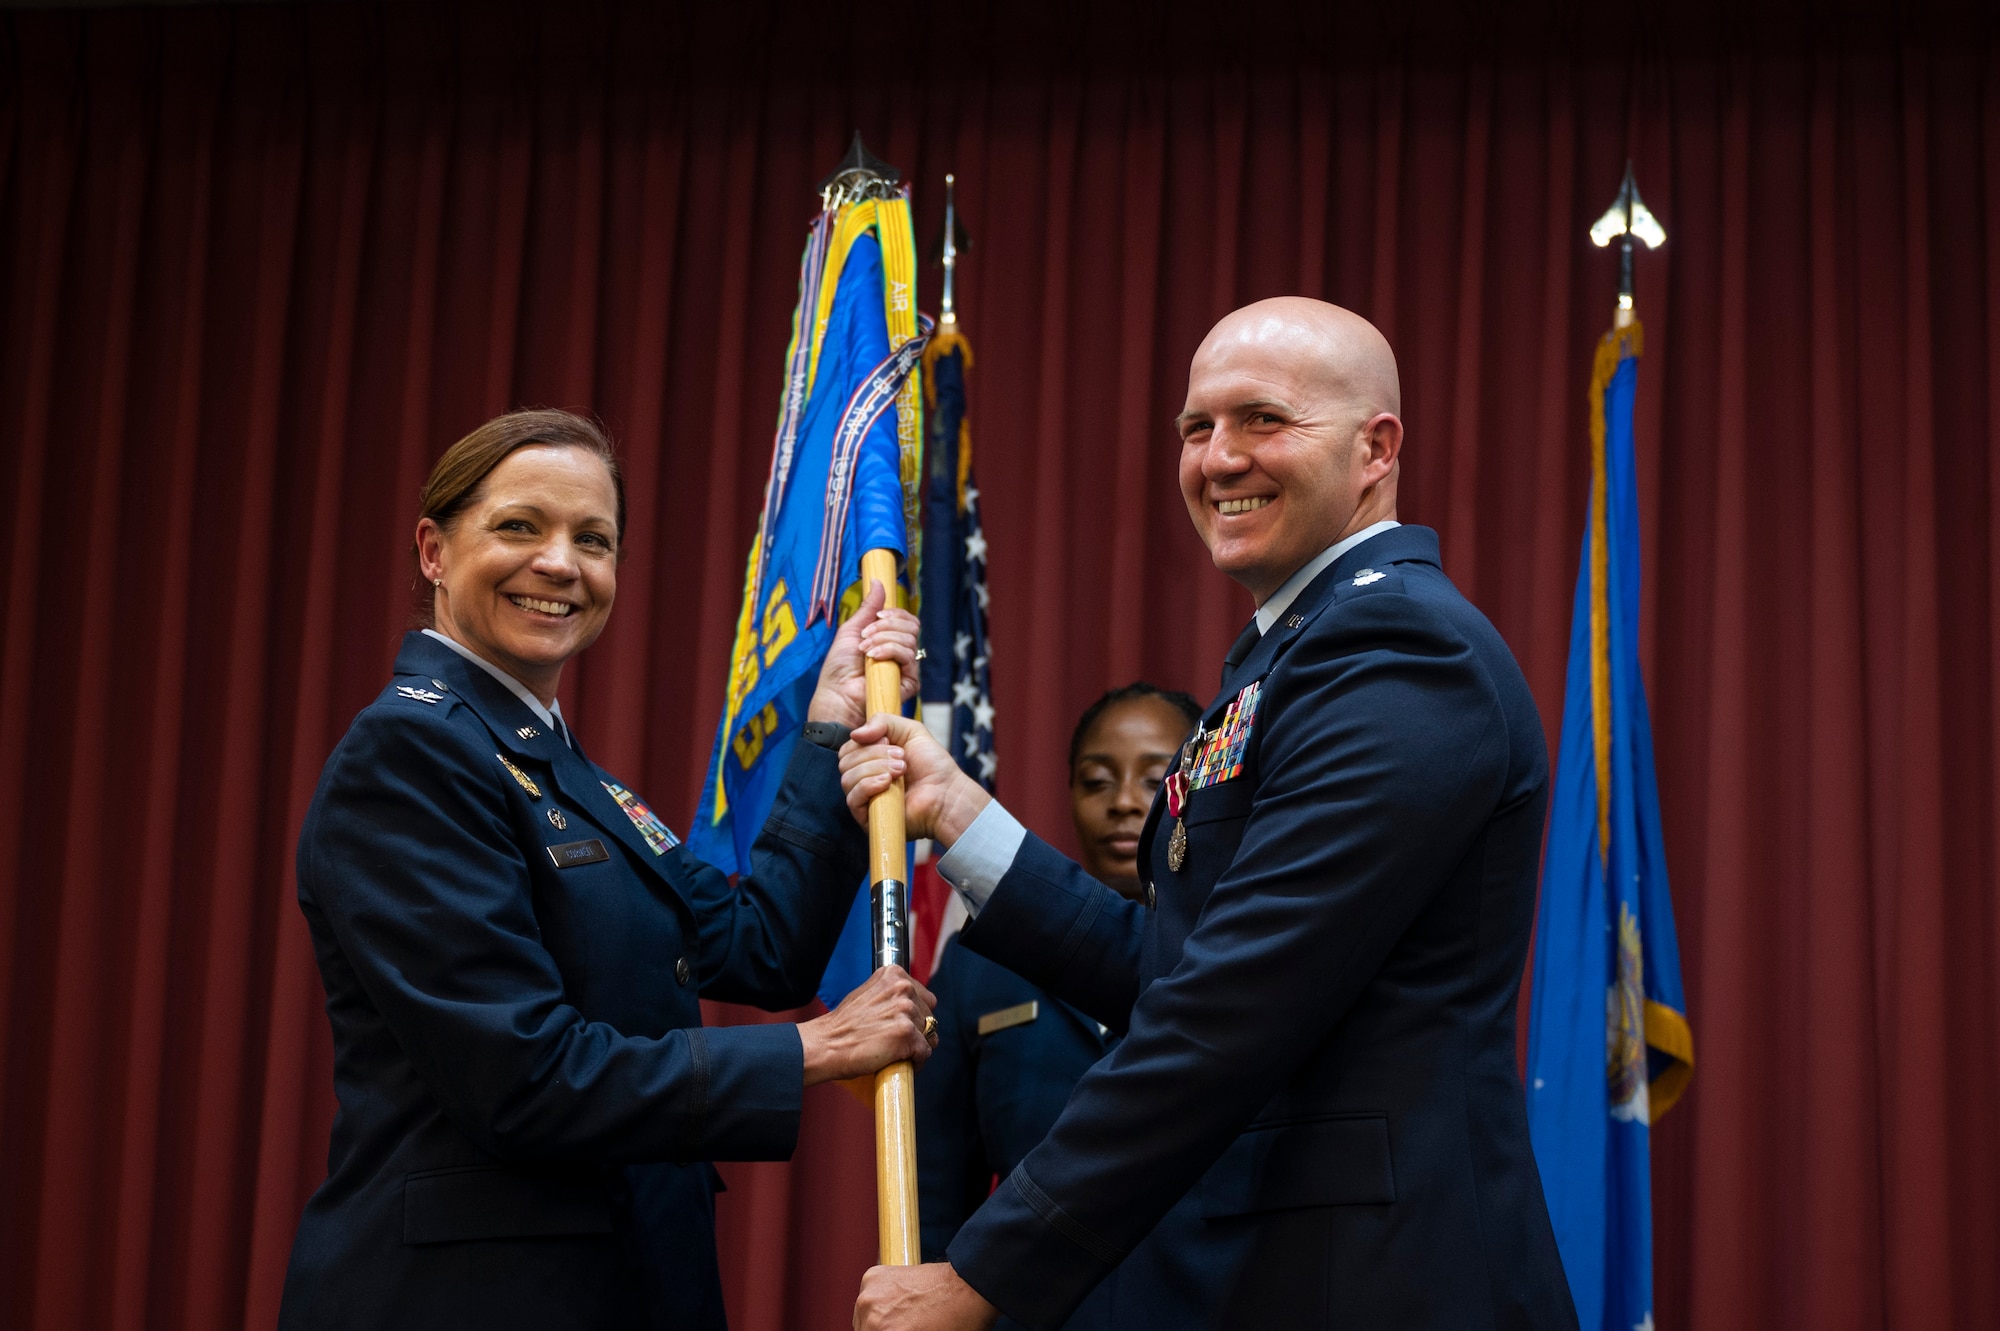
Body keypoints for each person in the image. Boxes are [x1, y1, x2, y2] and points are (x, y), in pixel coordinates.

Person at [841, 299, 1578, 1330]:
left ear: (1376, 448)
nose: (1217, 458)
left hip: (1377, 1282)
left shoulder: (1404, 653)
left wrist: (983, 1274)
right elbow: (1180, 963)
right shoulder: (1292, 654)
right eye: (1196, 428)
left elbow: (1228, 1001)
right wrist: (960, 816)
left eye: (1261, 420)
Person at [278, 409, 936, 1331]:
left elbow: (763, 946)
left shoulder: (559, 769)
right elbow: (524, 1076)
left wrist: (828, 721)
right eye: (520, 526)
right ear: (432, 549)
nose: (560, 564)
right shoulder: (410, 754)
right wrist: (816, 1050)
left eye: (594, 539)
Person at [916, 684, 1201, 1329]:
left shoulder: (1237, 947)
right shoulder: (982, 959)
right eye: (1097, 781)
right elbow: (938, 1191)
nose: (1125, 802)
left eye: (1156, 778)